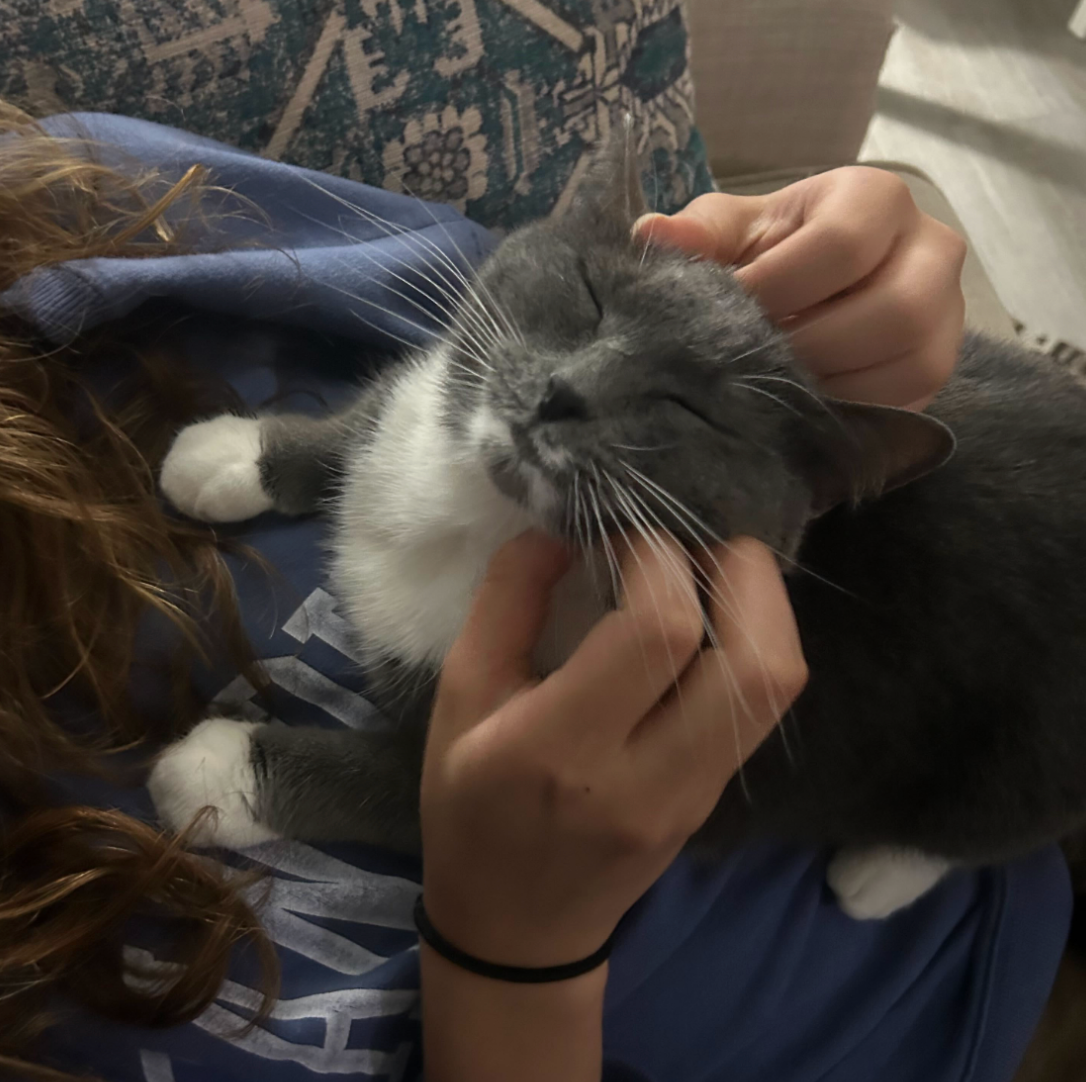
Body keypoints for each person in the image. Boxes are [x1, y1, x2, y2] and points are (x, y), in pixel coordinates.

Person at [1, 111, 1066, 1082]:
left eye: (677, 407)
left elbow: (436, 317)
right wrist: (511, 958)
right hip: (913, 1032)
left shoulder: (79, 204)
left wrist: (848, 269)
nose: (572, 387)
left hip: (989, 847)